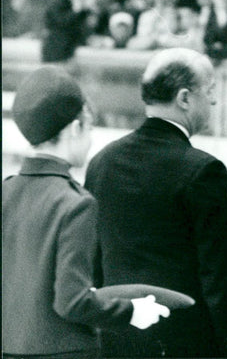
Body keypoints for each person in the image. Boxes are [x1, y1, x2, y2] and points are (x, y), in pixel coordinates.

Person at [84, 48, 227, 357]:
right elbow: (219, 274)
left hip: (117, 334)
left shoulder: (101, 162)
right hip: (184, 339)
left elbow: (92, 260)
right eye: (210, 91)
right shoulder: (203, 171)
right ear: (184, 98)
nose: (213, 101)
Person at [3, 67, 169, 358]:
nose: (91, 140)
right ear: (76, 128)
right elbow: (71, 301)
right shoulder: (76, 204)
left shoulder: (6, 191)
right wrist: (131, 312)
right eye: (90, 128)